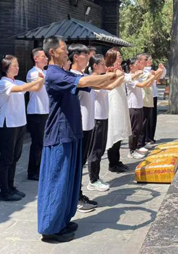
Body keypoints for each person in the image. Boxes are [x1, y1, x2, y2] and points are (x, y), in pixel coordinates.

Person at [37, 36, 116, 243]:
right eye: (64, 49)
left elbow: (91, 82)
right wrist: (110, 74)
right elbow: (83, 81)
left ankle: (62, 220)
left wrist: (110, 76)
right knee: (57, 181)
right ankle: (50, 228)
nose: (67, 52)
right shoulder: (53, 74)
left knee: (69, 182)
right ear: (52, 52)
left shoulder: (63, 72)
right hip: (59, 135)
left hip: (72, 132)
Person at [0, 55, 44, 202]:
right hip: (8, 125)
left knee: (15, 157)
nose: (17, 67)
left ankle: (11, 187)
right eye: (14, 65)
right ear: (6, 68)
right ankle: (4, 191)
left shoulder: (16, 81)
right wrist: (38, 80)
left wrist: (41, 80)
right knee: (6, 159)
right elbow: (22, 88)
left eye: (17, 65)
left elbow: (35, 88)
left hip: (19, 123)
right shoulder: (3, 83)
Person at [88, 54, 125, 191]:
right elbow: (110, 86)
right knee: (95, 150)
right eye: (102, 64)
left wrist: (116, 75)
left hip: (103, 116)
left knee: (100, 149)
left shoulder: (100, 77)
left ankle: (96, 177)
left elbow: (111, 83)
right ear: (95, 66)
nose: (105, 66)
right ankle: (93, 180)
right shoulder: (92, 79)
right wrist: (118, 76)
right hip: (96, 117)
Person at [68, 43, 98, 212]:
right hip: (80, 126)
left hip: (88, 124)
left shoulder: (83, 75)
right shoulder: (73, 76)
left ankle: (78, 194)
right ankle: (76, 198)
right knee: (77, 164)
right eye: (85, 55)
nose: (88, 58)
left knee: (82, 163)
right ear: (75, 57)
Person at [126, 58, 162, 159]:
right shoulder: (129, 77)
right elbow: (142, 85)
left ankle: (136, 148)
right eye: (136, 63)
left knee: (138, 128)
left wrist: (153, 78)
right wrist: (152, 77)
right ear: (130, 66)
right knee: (134, 130)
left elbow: (147, 84)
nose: (138, 65)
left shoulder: (136, 76)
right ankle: (131, 150)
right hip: (132, 105)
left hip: (139, 104)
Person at [105, 48, 132, 173]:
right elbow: (120, 77)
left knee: (120, 130)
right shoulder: (109, 70)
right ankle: (112, 162)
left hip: (120, 102)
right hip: (114, 103)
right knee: (114, 131)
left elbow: (125, 77)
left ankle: (117, 160)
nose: (120, 58)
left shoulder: (118, 70)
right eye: (118, 56)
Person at [26, 48, 49, 181]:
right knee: (37, 143)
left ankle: (40, 168)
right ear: (36, 59)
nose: (46, 58)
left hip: (44, 110)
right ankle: (33, 171)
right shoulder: (33, 73)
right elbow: (38, 86)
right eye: (43, 56)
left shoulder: (44, 72)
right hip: (36, 111)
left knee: (43, 142)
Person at [145, 55, 166, 146]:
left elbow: (158, 76)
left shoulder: (150, 70)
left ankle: (151, 136)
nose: (151, 61)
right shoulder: (144, 70)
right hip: (147, 96)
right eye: (149, 59)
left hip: (153, 94)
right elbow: (154, 76)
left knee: (153, 117)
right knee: (148, 117)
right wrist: (159, 71)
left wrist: (161, 70)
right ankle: (146, 137)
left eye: (151, 59)